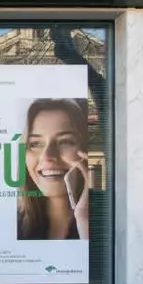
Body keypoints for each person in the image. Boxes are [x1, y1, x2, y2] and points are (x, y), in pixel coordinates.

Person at [18, 98, 90, 240]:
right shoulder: (12, 226)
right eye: (35, 144)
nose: (48, 156)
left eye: (65, 141)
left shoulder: (110, 218)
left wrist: (84, 219)